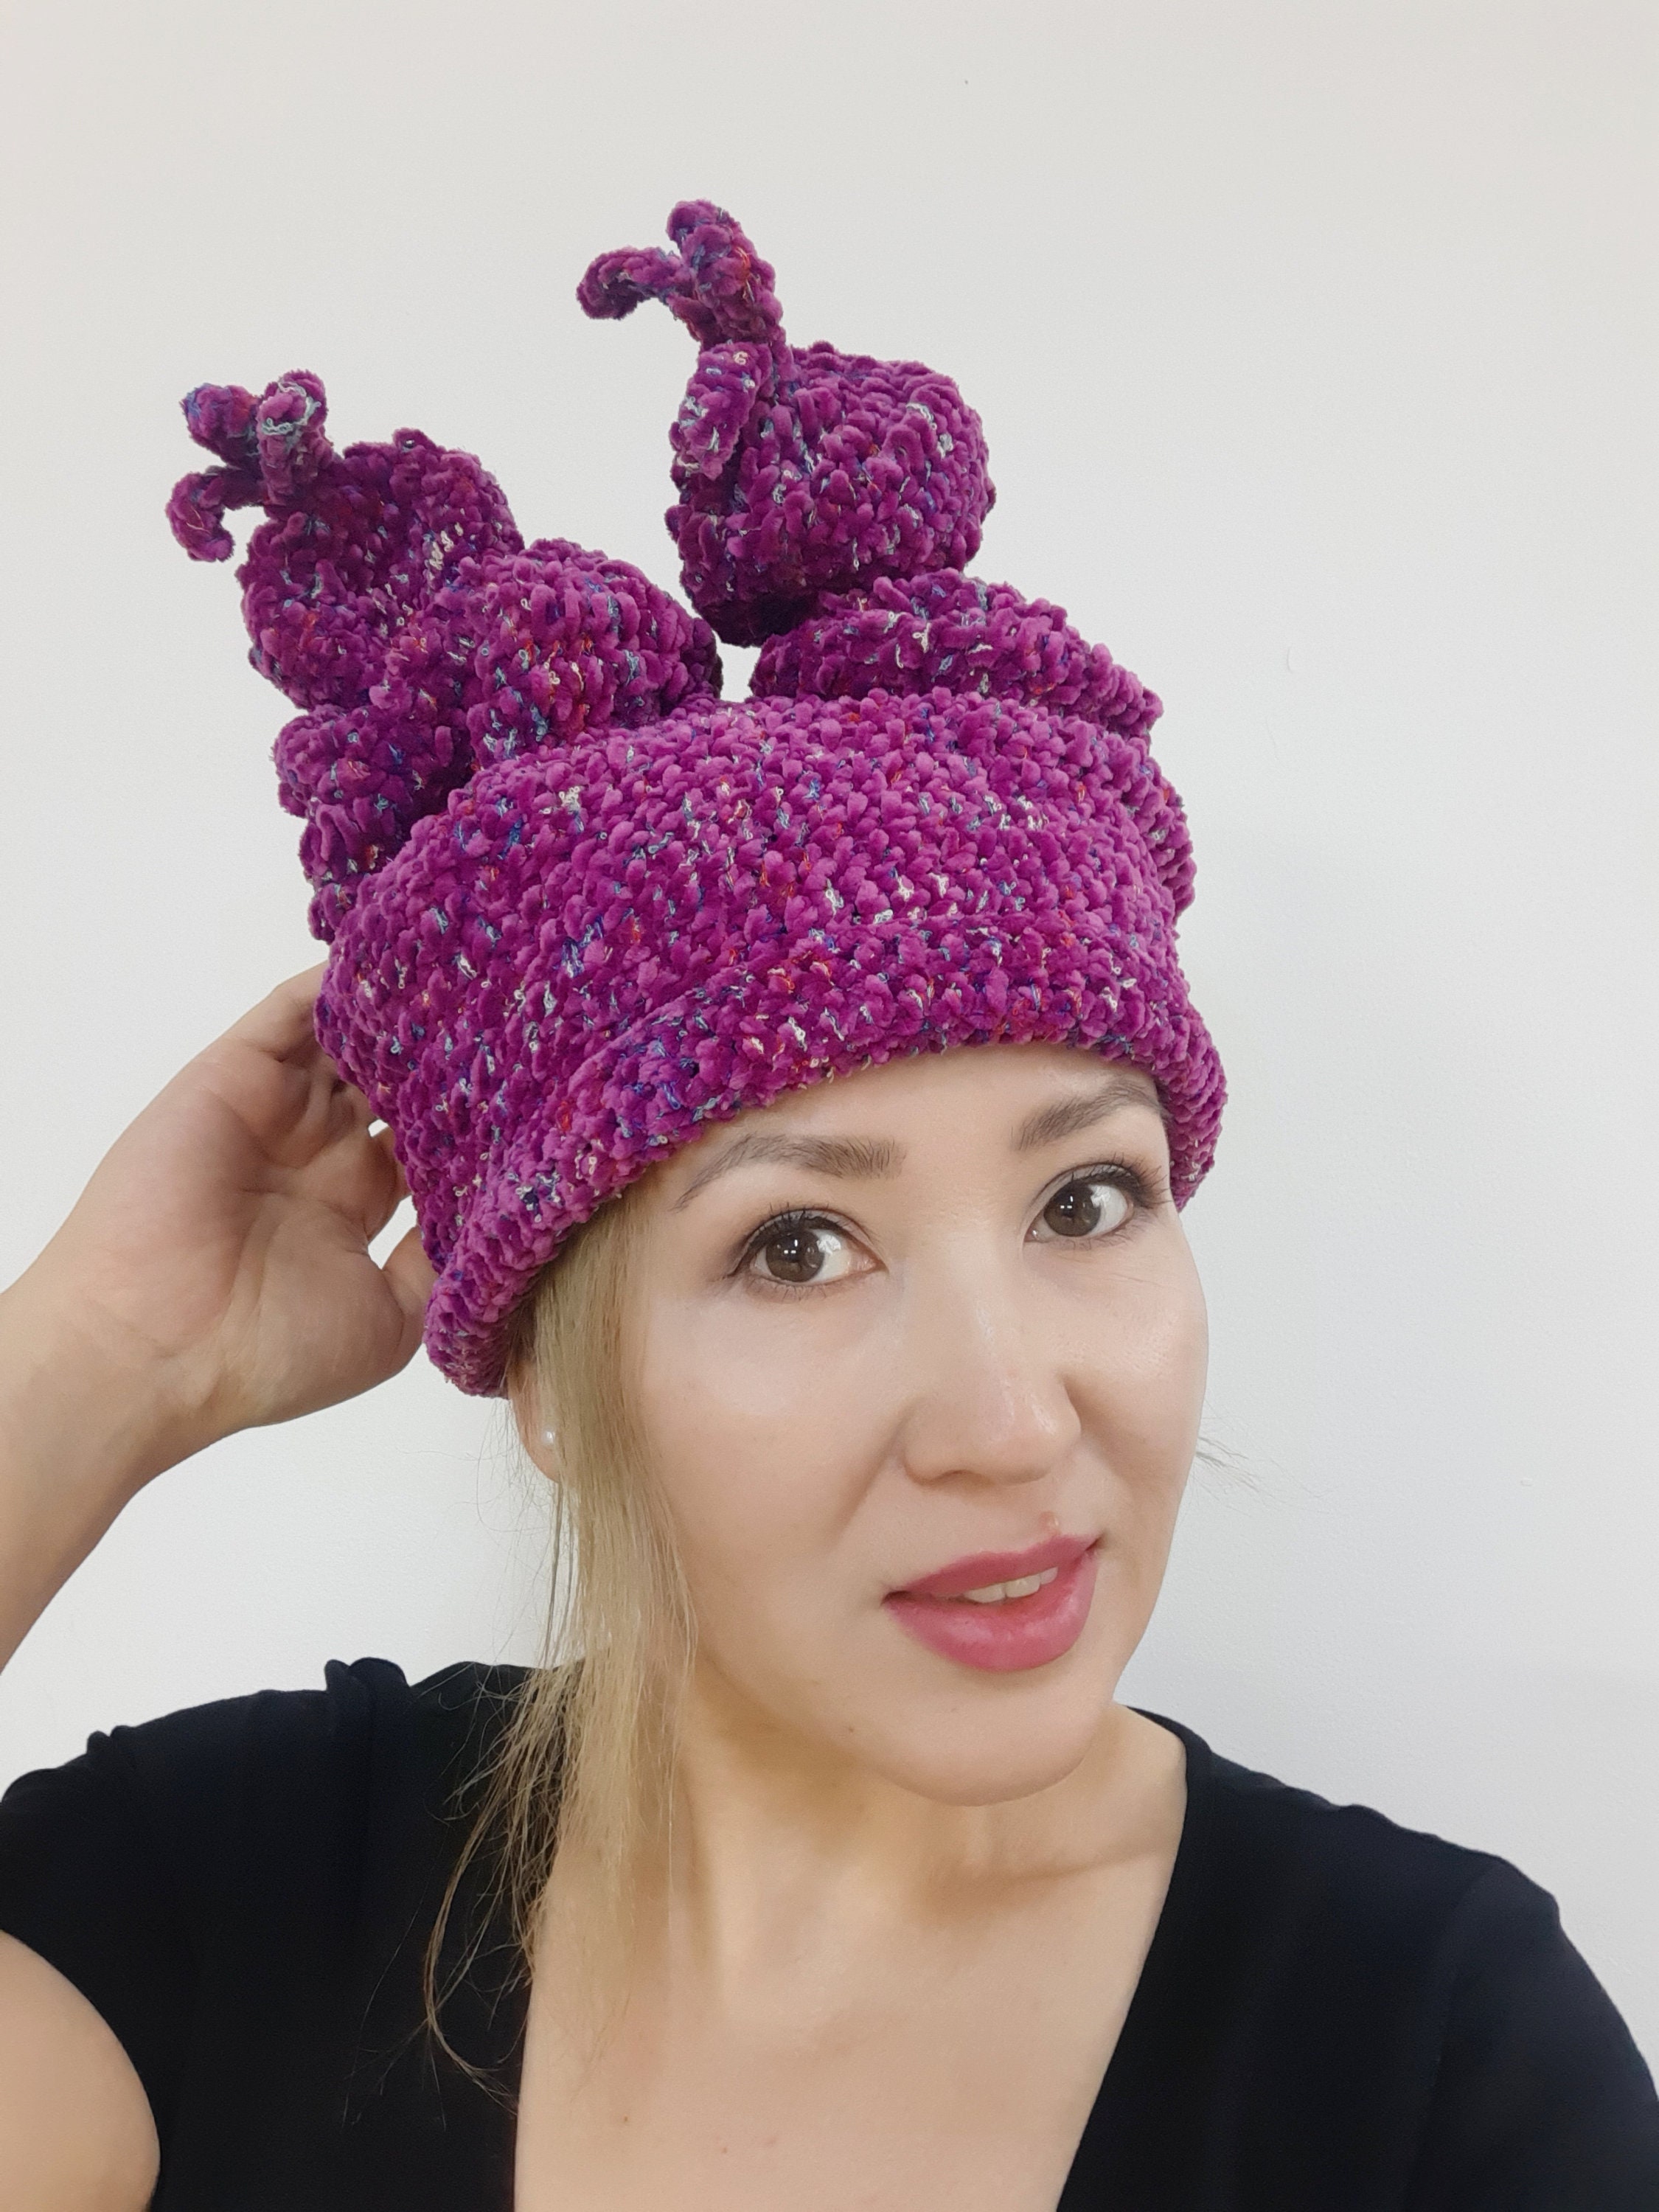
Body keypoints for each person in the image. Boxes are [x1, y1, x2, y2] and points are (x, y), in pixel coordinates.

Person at [0, 201, 1652, 2211]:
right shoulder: (221, 1908)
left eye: (1086, 1200)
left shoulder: (1433, 2064)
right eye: (796, 1246)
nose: (1012, 1424)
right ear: (546, 1373)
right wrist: (101, 1359)